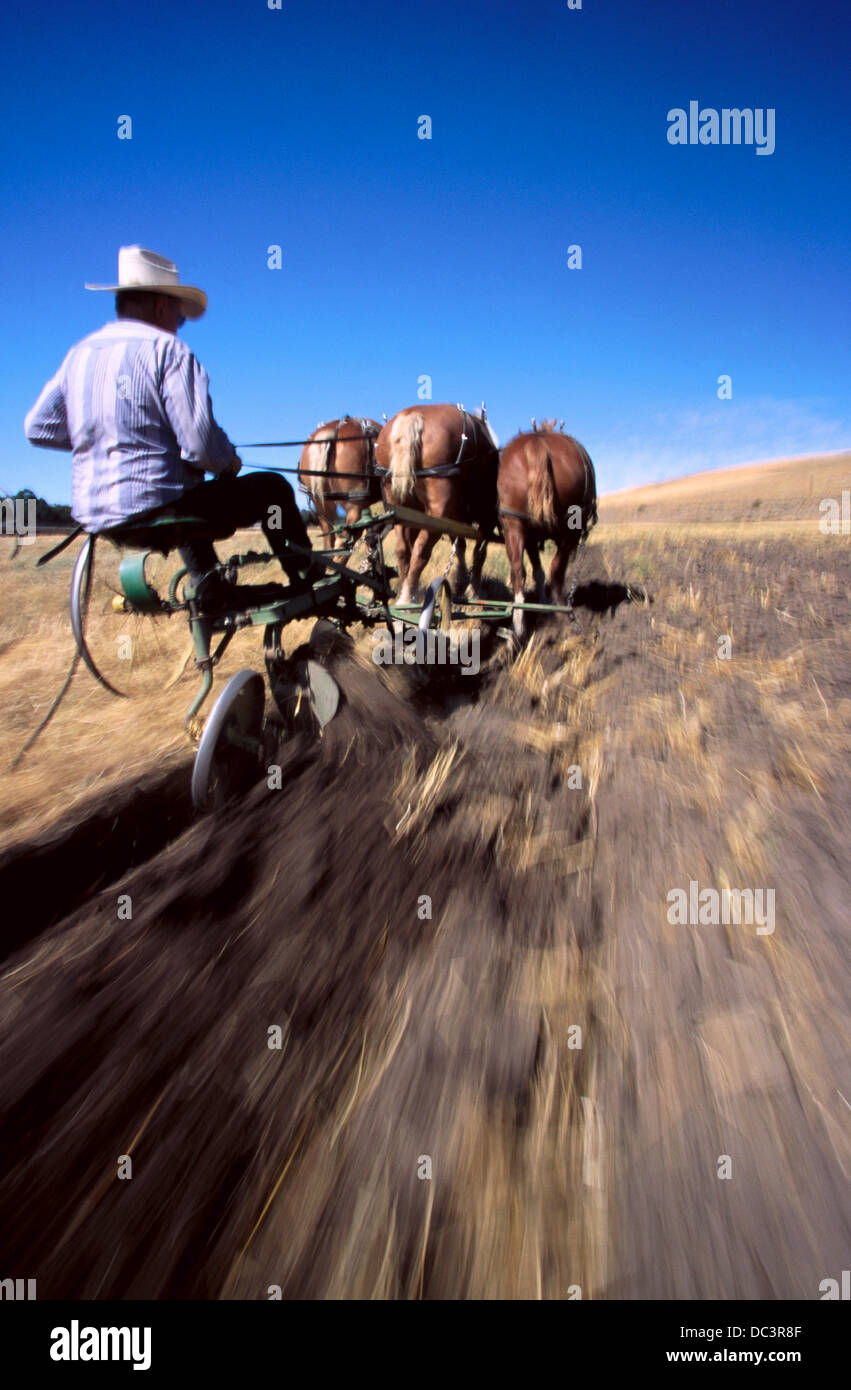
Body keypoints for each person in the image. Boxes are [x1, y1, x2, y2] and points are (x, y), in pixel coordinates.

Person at [24, 245, 321, 604]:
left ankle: (210, 584)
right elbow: (200, 445)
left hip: (100, 518)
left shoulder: (79, 354)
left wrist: (106, 441)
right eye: (180, 317)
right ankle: (306, 579)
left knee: (183, 488)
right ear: (163, 305)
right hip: (162, 510)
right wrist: (228, 461)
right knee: (272, 489)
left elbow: (39, 427)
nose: (179, 326)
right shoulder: (169, 351)